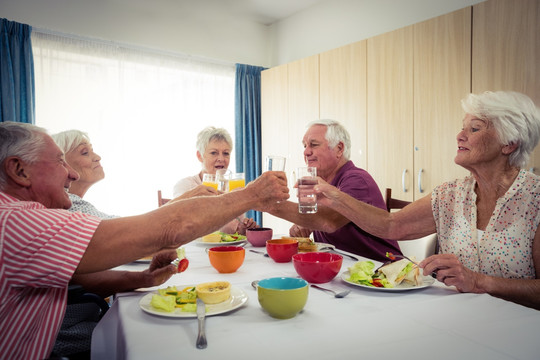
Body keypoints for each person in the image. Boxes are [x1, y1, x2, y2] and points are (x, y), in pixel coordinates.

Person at [0, 121, 289, 359]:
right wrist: (253, 194)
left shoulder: (25, 216)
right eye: (61, 162)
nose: (72, 173)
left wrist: (144, 279)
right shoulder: (16, 222)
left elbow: (79, 276)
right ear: (19, 170)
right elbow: (167, 229)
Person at [312, 91, 540, 310]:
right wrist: (334, 197)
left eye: (475, 128)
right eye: (463, 127)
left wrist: (478, 282)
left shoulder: (535, 200)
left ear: (509, 143)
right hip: (457, 317)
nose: (460, 135)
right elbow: (391, 225)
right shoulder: (450, 195)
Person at [50, 130, 181, 358]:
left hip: (85, 315)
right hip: (69, 330)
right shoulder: (70, 206)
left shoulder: (79, 204)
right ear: (63, 166)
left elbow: (122, 227)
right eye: (85, 152)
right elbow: (136, 233)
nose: (97, 156)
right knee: (158, 335)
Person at [266, 119, 402, 262]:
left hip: (381, 270)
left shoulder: (357, 179)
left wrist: (265, 202)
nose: (306, 151)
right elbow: (315, 219)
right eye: (305, 146)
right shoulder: (315, 182)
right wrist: (303, 224)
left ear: (339, 149)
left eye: (314, 145)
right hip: (344, 268)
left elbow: (328, 220)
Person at [173, 126, 258, 234]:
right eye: (214, 153)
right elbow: (179, 222)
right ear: (200, 156)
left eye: (226, 153)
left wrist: (243, 229)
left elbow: (235, 230)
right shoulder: (186, 185)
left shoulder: (234, 188)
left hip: (226, 249)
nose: (221, 159)